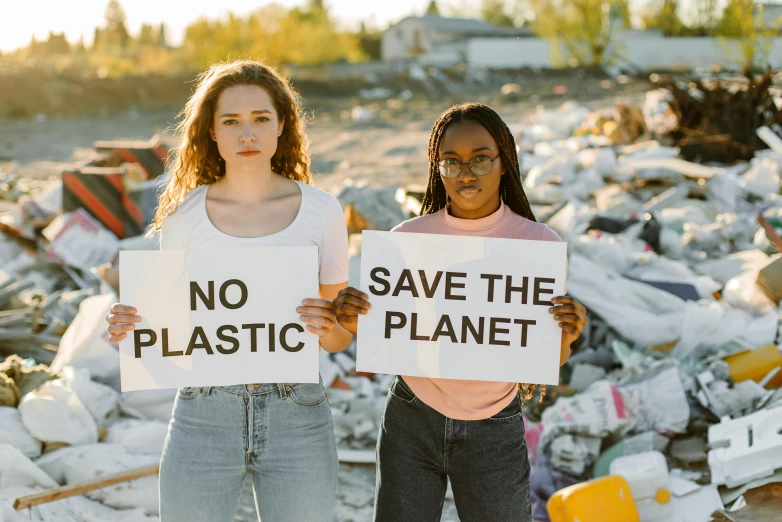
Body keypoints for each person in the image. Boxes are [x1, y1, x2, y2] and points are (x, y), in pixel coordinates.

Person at [105, 60, 351, 522]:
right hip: (204, 413)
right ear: (211, 133)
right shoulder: (185, 217)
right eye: (231, 122)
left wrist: (328, 325)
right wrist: (132, 326)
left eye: (260, 119)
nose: (247, 135)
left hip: (297, 412)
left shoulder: (321, 211)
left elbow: (340, 339)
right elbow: (170, 328)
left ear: (282, 125)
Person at [333, 103, 588, 522]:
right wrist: (353, 316)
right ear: (437, 168)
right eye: (451, 162)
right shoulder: (407, 239)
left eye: (481, 159)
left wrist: (567, 335)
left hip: (494, 426)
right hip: (411, 417)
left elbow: (548, 358)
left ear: (504, 162)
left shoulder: (538, 245)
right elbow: (392, 332)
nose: (466, 172)